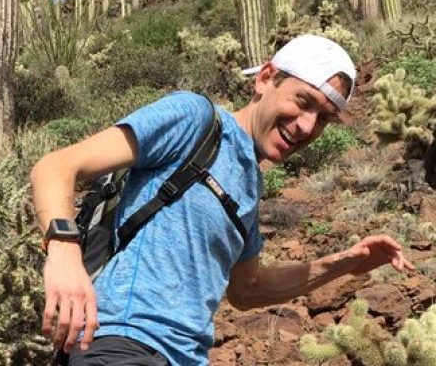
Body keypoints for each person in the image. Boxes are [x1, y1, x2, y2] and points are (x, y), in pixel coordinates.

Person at [30, 34, 416, 365]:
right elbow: (56, 166)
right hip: (121, 342)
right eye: (303, 101)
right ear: (266, 78)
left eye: (324, 117)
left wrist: (349, 262)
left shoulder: (248, 184)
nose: (307, 126)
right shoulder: (194, 120)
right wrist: (64, 252)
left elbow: (247, 290)